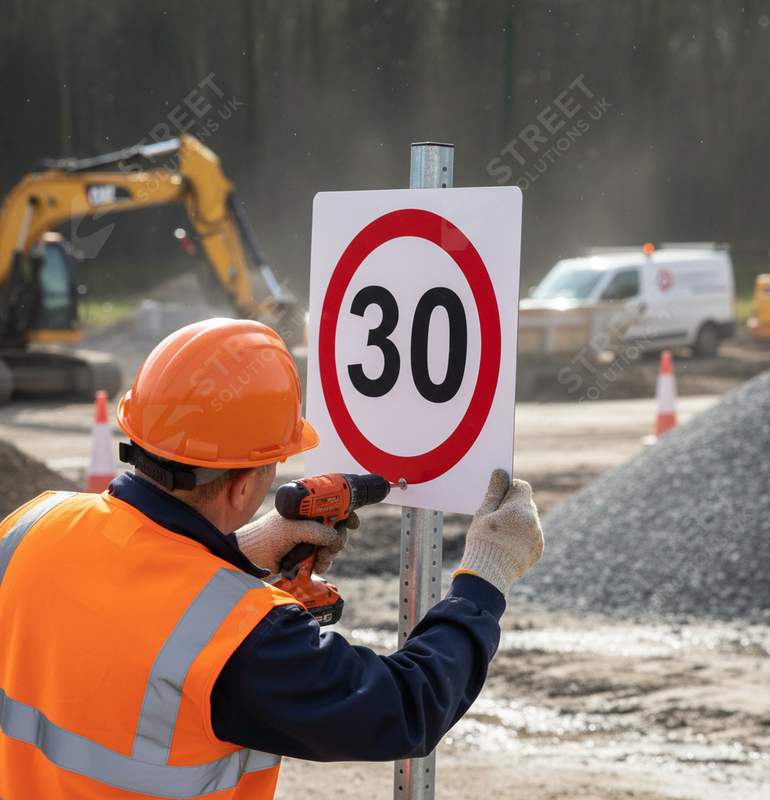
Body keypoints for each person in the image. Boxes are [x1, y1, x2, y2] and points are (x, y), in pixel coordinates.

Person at [0, 318, 544, 799]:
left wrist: (236, 551)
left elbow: (125, 606)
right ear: (241, 489)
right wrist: (484, 576)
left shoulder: (31, 525)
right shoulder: (240, 638)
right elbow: (404, 709)